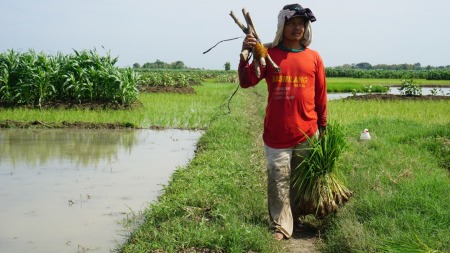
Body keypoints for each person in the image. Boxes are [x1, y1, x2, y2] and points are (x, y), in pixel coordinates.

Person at [238, 3, 327, 240]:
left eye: (301, 24)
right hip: (277, 133)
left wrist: (324, 127)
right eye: (292, 23)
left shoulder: (314, 58)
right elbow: (247, 81)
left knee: (300, 181)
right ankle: (280, 225)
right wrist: (246, 54)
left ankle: (294, 220)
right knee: (278, 179)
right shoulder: (268, 54)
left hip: (307, 131)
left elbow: (320, 96)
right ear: (282, 26)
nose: (297, 28)